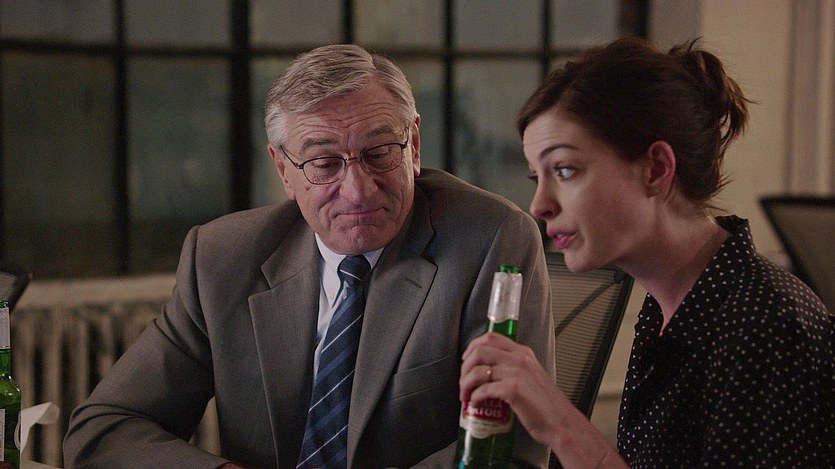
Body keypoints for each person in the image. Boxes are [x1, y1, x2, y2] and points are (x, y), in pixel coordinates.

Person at [62, 44, 555, 468]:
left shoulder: (490, 240)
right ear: (283, 169)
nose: (358, 191)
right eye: (323, 163)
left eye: (379, 153)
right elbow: (105, 428)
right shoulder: (222, 259)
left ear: (414, 144)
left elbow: (506, 452)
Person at [459, 37, 835, 468]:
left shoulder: (764, 323)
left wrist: (561, 424)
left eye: (564, 170)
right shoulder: (664, 311)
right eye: (536, 177)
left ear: (656, 169)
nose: (539, 205)